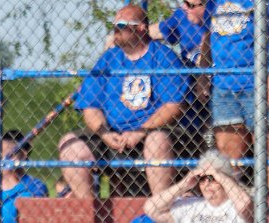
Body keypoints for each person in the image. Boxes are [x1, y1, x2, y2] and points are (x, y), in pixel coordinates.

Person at [58, 4, 188, 198]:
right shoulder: (108, 59)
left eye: (121, 26)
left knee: (157, 141)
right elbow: (90, 107)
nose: (115, 31)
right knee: (70, 145)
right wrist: (105, 134)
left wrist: (141, 130)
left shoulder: (163, 57)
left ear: (141, 28)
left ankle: (161, 210)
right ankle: (88, 211)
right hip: (112, 135)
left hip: (152, 133)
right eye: (114, 26)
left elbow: (173, 106)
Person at [205, 0, 269, 160]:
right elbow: (206, 34)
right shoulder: (213, 3)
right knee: (228, 156)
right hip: (223, 86)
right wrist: (203, 72)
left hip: (258, 84)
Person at [149, 0, 214, 159]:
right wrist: (124, 29)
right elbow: (157, 31)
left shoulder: (221, 13)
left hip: (218, 85)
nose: (184, 7)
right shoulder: (182, 16)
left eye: (189, 4)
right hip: (192, 87)